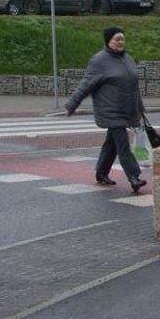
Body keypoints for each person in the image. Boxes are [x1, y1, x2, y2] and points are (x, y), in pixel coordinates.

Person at [65, 26, 148, 194]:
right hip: (110, 111)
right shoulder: (99, 61)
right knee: (122, 144)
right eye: (117, 39)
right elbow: (85, 85)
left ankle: (101, 172)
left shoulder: (128, 59)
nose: (120, 42)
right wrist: (72, 104)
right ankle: (134, 177)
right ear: (108, 41)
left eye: (122, 39)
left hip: (127, 110)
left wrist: (140, 109)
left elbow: (134, 87)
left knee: (111, 143)